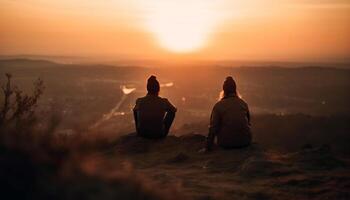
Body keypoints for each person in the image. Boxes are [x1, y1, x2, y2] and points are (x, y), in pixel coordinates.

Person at [206, 76, 252, 151]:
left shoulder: (218, 106)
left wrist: (207, 148)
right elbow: (248, 123)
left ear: (224, 90)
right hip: (245, 142)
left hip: (226, 144)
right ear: (235, 89)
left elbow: (213, 129)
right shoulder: (243, 104)